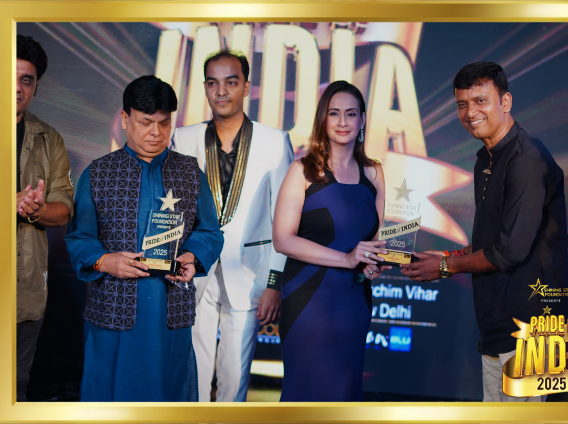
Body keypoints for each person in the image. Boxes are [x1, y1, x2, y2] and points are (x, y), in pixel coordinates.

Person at [400, 62, 568, 402]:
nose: (470, 112)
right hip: (498, 324)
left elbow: (510, 250)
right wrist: (448, 255)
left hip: (531, 329)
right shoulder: (487, 158)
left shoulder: (526, 160)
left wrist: (446, 266)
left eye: (480, 101)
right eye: (462, 104)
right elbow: (494, 240)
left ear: (505, 102)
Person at [65, 75, 224, 402]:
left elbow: (210, 231)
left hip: (170, 308)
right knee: (110, 397)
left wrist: (192, 257)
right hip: (114, 307)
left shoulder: (189, 172)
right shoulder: (99, 173)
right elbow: (80, 236)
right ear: (125, 119)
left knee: (169, 395)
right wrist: (104, 260)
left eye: (164, 123)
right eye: (146, 122)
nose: (156, 132)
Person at [170, 49, 293, 402]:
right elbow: (173, 210)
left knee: (235, 377)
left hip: (251, 272)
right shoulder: (184, 138)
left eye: (231, 82)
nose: (221, 91)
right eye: (213, 83)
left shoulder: (275, 141)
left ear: (247, 87)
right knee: (193, 370)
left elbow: (283, 219)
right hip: (194, 268)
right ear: (205, 88)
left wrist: (274, 283)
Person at [272, 80, 389, 401]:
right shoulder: (302, 171)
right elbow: (282, 240)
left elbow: (374, 240)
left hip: (354, 302)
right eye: (334, 113)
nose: (342, 122)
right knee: (305, 394)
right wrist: (347, 259)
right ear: (323, 118)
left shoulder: (374, 173)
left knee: (344, 394)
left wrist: (373, 264)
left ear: (362, 120)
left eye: (351, 114)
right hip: (308, 301)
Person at [15, 34, 74, 402]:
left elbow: (63, 209)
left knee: (16, 387)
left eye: (27, 79)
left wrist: (37, 210)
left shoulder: (48, 138)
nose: (18, 88)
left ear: (36, 86)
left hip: (27, 291)